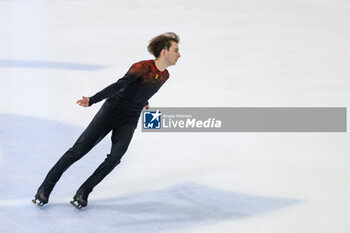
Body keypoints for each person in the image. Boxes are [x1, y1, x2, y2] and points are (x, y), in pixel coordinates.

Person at [32, 32, 181, 209]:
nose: (179, 54)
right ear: (164, 52)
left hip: (130, 118)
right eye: (176, 50)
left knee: (116, 157)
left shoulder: (165, 76)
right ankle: (45, 189)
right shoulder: (140, 67)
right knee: (78, 151)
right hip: (111, 112)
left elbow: (142, 89)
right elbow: (119, 85)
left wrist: (144, 101)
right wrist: (92, 100)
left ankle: (84, 191)